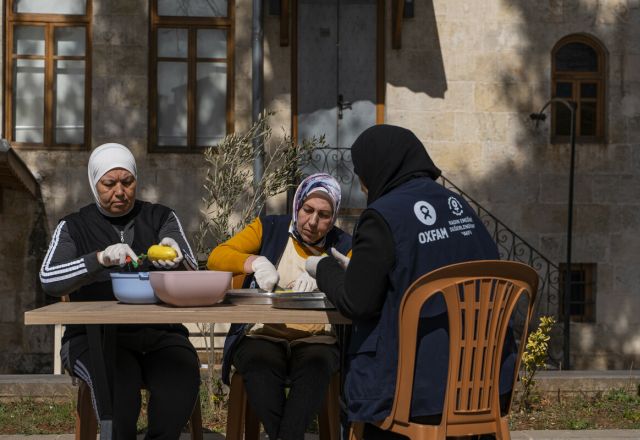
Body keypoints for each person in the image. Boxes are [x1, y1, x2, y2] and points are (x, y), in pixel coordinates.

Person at [306, 125, 516, 439]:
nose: (363, 187)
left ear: (377, 168)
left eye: (362, 175)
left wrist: (323, 268)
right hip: (482, 386)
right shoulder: (461, 208)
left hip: (414, 393)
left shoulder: (382, 216)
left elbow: (356, 303)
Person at [39, 143, 200, 440]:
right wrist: (98, 260)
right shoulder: (74, 226)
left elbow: (193, 273)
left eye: (127, 182)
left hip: (161, 336)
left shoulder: (160, 217)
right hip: (94, 341)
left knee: (179, 380)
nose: (120, 192)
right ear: (94, 183)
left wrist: (177, 256)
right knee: (120, 400)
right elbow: (49, 278)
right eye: (109, 184)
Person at [207, 173, 352, 440]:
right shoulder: (269, 227)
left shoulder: (343, 245)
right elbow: (216, 257)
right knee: (259, 363)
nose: (312, 222)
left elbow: (357, 280)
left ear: (334, 217)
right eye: (307, 210)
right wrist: (255, 263)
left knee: (316, 367)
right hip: (263, 331)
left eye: (324, 215)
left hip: (316, 338)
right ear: (296, 205)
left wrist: (326, 272)